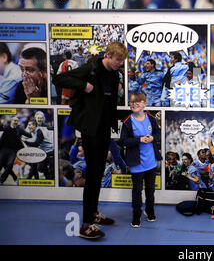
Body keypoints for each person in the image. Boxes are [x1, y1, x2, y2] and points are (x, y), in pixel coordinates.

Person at [52, 41, 128, 239]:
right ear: (108, 55)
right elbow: (59, 79)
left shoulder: (114, 73)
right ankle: (86, 223)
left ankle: (94, 214)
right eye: (118, 60)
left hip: (103, 129)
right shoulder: (91, 68)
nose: (120, 64)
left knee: (97, 173)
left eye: (122, 61)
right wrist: (83, 85)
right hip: (90, 130)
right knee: (93, 176)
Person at [119, 92, 162, 228]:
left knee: (150, 190)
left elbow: (158, 133)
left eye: (137, 102)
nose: (134, 104)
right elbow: (123, 141)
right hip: (136, 163)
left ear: (144, 104)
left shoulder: (151, 118)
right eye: (131, 102)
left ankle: (150, 211)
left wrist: (153, 138)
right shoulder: (127, 122)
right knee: (137, 191)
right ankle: (136, 215)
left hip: (151, 162)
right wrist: (139, 140)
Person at [0, 116, 32, 184]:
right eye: (14, 120)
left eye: (17, 121)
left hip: (13, 150)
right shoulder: (6, 127)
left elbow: (29, 135)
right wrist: (1, 123)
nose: (16, 122)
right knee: (3, 164)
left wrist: (31, 129)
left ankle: (1, 180)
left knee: (10, 164)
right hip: (4, 149)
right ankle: (15, 177)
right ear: (11, 121)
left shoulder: (19, 129)